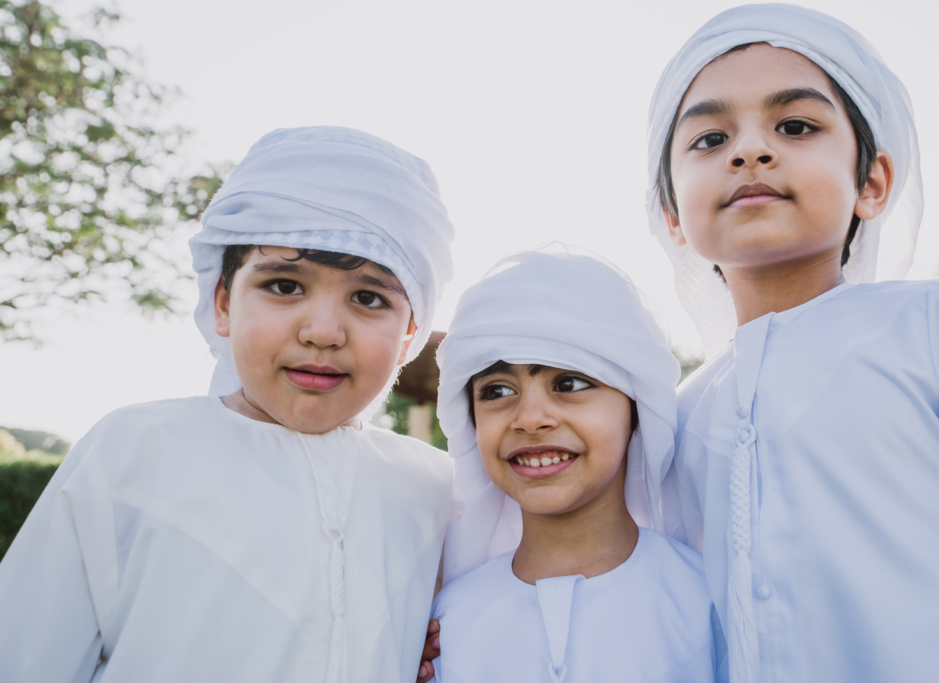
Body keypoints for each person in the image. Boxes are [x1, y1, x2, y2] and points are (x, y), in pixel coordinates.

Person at [645, 5, 939, 682]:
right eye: (710, 138)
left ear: (871, 183)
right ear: (672, 214)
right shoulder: (680, 414)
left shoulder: (937, 324)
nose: (749, 151)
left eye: (795, 126)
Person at [0, 126, 456, 683]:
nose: (322, 331)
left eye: (368, 297)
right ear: (222, 303)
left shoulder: (438, 489)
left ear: (410, 335)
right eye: (285, 286)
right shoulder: (133, 451)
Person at [426, 247, 725, 683]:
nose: (530, 419)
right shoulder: (443, 627)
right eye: (497, 391)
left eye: (568, 383)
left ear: (636, 410)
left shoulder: (711, 603)